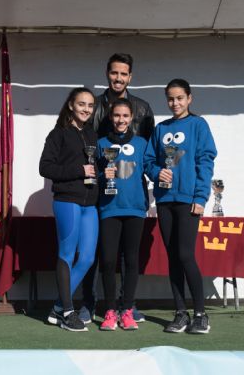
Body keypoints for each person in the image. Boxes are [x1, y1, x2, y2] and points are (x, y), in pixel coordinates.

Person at [80, 53, 154, 323]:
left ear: (130, 76)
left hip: (131, 197)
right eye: (114, 73)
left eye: (123, 73)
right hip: (100, 195)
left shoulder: (143, 108)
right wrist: (96, 173)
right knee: (98, 253)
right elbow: (85, 145)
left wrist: (161, 174)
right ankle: (90, 303)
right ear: (107, 73)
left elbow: (149, 154)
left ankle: (127, 305)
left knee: (129, 258)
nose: (118, 78)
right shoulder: (94, 105)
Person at [144, 78, 217, 334]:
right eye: (170, 99)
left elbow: (205, 161)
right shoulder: (160, 129)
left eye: (180, 98)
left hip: (188, 200)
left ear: (189, 98)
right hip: (165, 201)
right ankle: (180, 313)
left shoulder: (198, 125)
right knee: (173, 257)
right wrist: (157, 173)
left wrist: (200, 197)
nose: (175, 103)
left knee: (185, 255)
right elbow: (149, 160)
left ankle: (200, 314)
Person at [39, 87, 99, 332]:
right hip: (67, 201)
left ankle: (57, 307)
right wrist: (79, 170)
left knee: (87, 258)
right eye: (81, 104)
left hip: (90, 204)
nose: (86, 109)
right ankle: (67, 311)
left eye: (90, 105)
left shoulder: (92, 134)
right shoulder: (58, 134)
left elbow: (93, 166)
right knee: (66, 254)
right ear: (71, 106)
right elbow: (45, 168)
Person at [96, 99, 149, 331]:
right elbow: (93, 175)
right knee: (108, 261)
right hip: (109, 208)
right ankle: (110, 310)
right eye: (117, 115)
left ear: (131, 118)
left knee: (131, 261)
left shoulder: (142, 143)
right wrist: (102, 175)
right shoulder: (100, 144)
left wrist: (166, 172)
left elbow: (150, 168)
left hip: (135, 208)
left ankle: (127, 309)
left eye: (125, 116)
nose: (121, 120)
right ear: (110, 117)